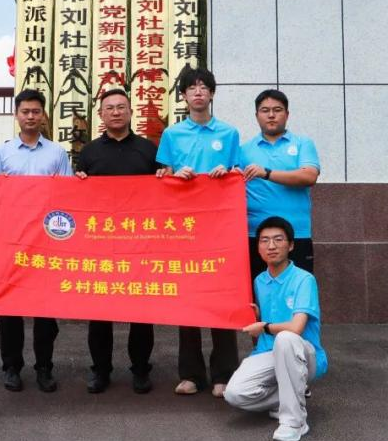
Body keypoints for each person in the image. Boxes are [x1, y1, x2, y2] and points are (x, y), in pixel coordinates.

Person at [155, 67, 241, 398]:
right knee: (187, 299)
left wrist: (227, 172)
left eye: (204, 87)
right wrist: (175, 174)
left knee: (222, 298)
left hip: (220, 229)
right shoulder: (172, 134)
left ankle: (224, 374)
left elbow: (238, 173)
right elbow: (163, 175)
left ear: (212, 94)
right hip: (184, 229)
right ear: (184, 96)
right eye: (192, 88)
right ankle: (190, 374)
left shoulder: (229, 133)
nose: (198, 92)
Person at [75, 88, 159, 394]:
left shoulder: (149, 150)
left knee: (141, 312)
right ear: (101, 114)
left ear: (130, 112)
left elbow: (163, 194)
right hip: (101, 244)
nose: (115, 112)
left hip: (139, 243)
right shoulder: (89, 152)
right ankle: (101, 371)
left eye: (121, 107)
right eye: (109, 108)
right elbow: (77, 198)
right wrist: (79, 182)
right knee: (100, 313)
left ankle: (141, 369)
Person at [0, 89, 73, 393]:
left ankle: (44, 367)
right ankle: (12, 367)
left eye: (36, 111)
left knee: (45, 310)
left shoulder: (57, 153)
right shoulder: (2, 153)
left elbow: (67, 196)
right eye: (25, 111)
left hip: (47, 242)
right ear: (16, 115)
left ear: (43, 115)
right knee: (9, 309)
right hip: (12, 241)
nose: (30, 116)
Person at [223, 216, 328, 441]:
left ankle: (294, 421)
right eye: (264, 240)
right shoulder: (259, 281)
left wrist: (264, 326)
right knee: (234, 394)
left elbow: (296, 327)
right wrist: (258, 315)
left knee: (286, 339)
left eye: (278, 240)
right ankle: (289, 395)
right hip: (268, 352)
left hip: (303, 353)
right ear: (258, 247)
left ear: (291, 245)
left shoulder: (304, 280)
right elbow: (270, 314)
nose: (271, 246)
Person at [240, 89, 320, 281]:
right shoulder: (243, 150)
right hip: (256, 235)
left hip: (296, 234)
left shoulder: (302, 144)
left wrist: (267, 173)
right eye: (265, 110)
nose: (271, 115)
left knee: (297, 289)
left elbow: (309, 176)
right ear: (256, 115)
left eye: (277, 110)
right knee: (258, 292)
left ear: (287, 114)